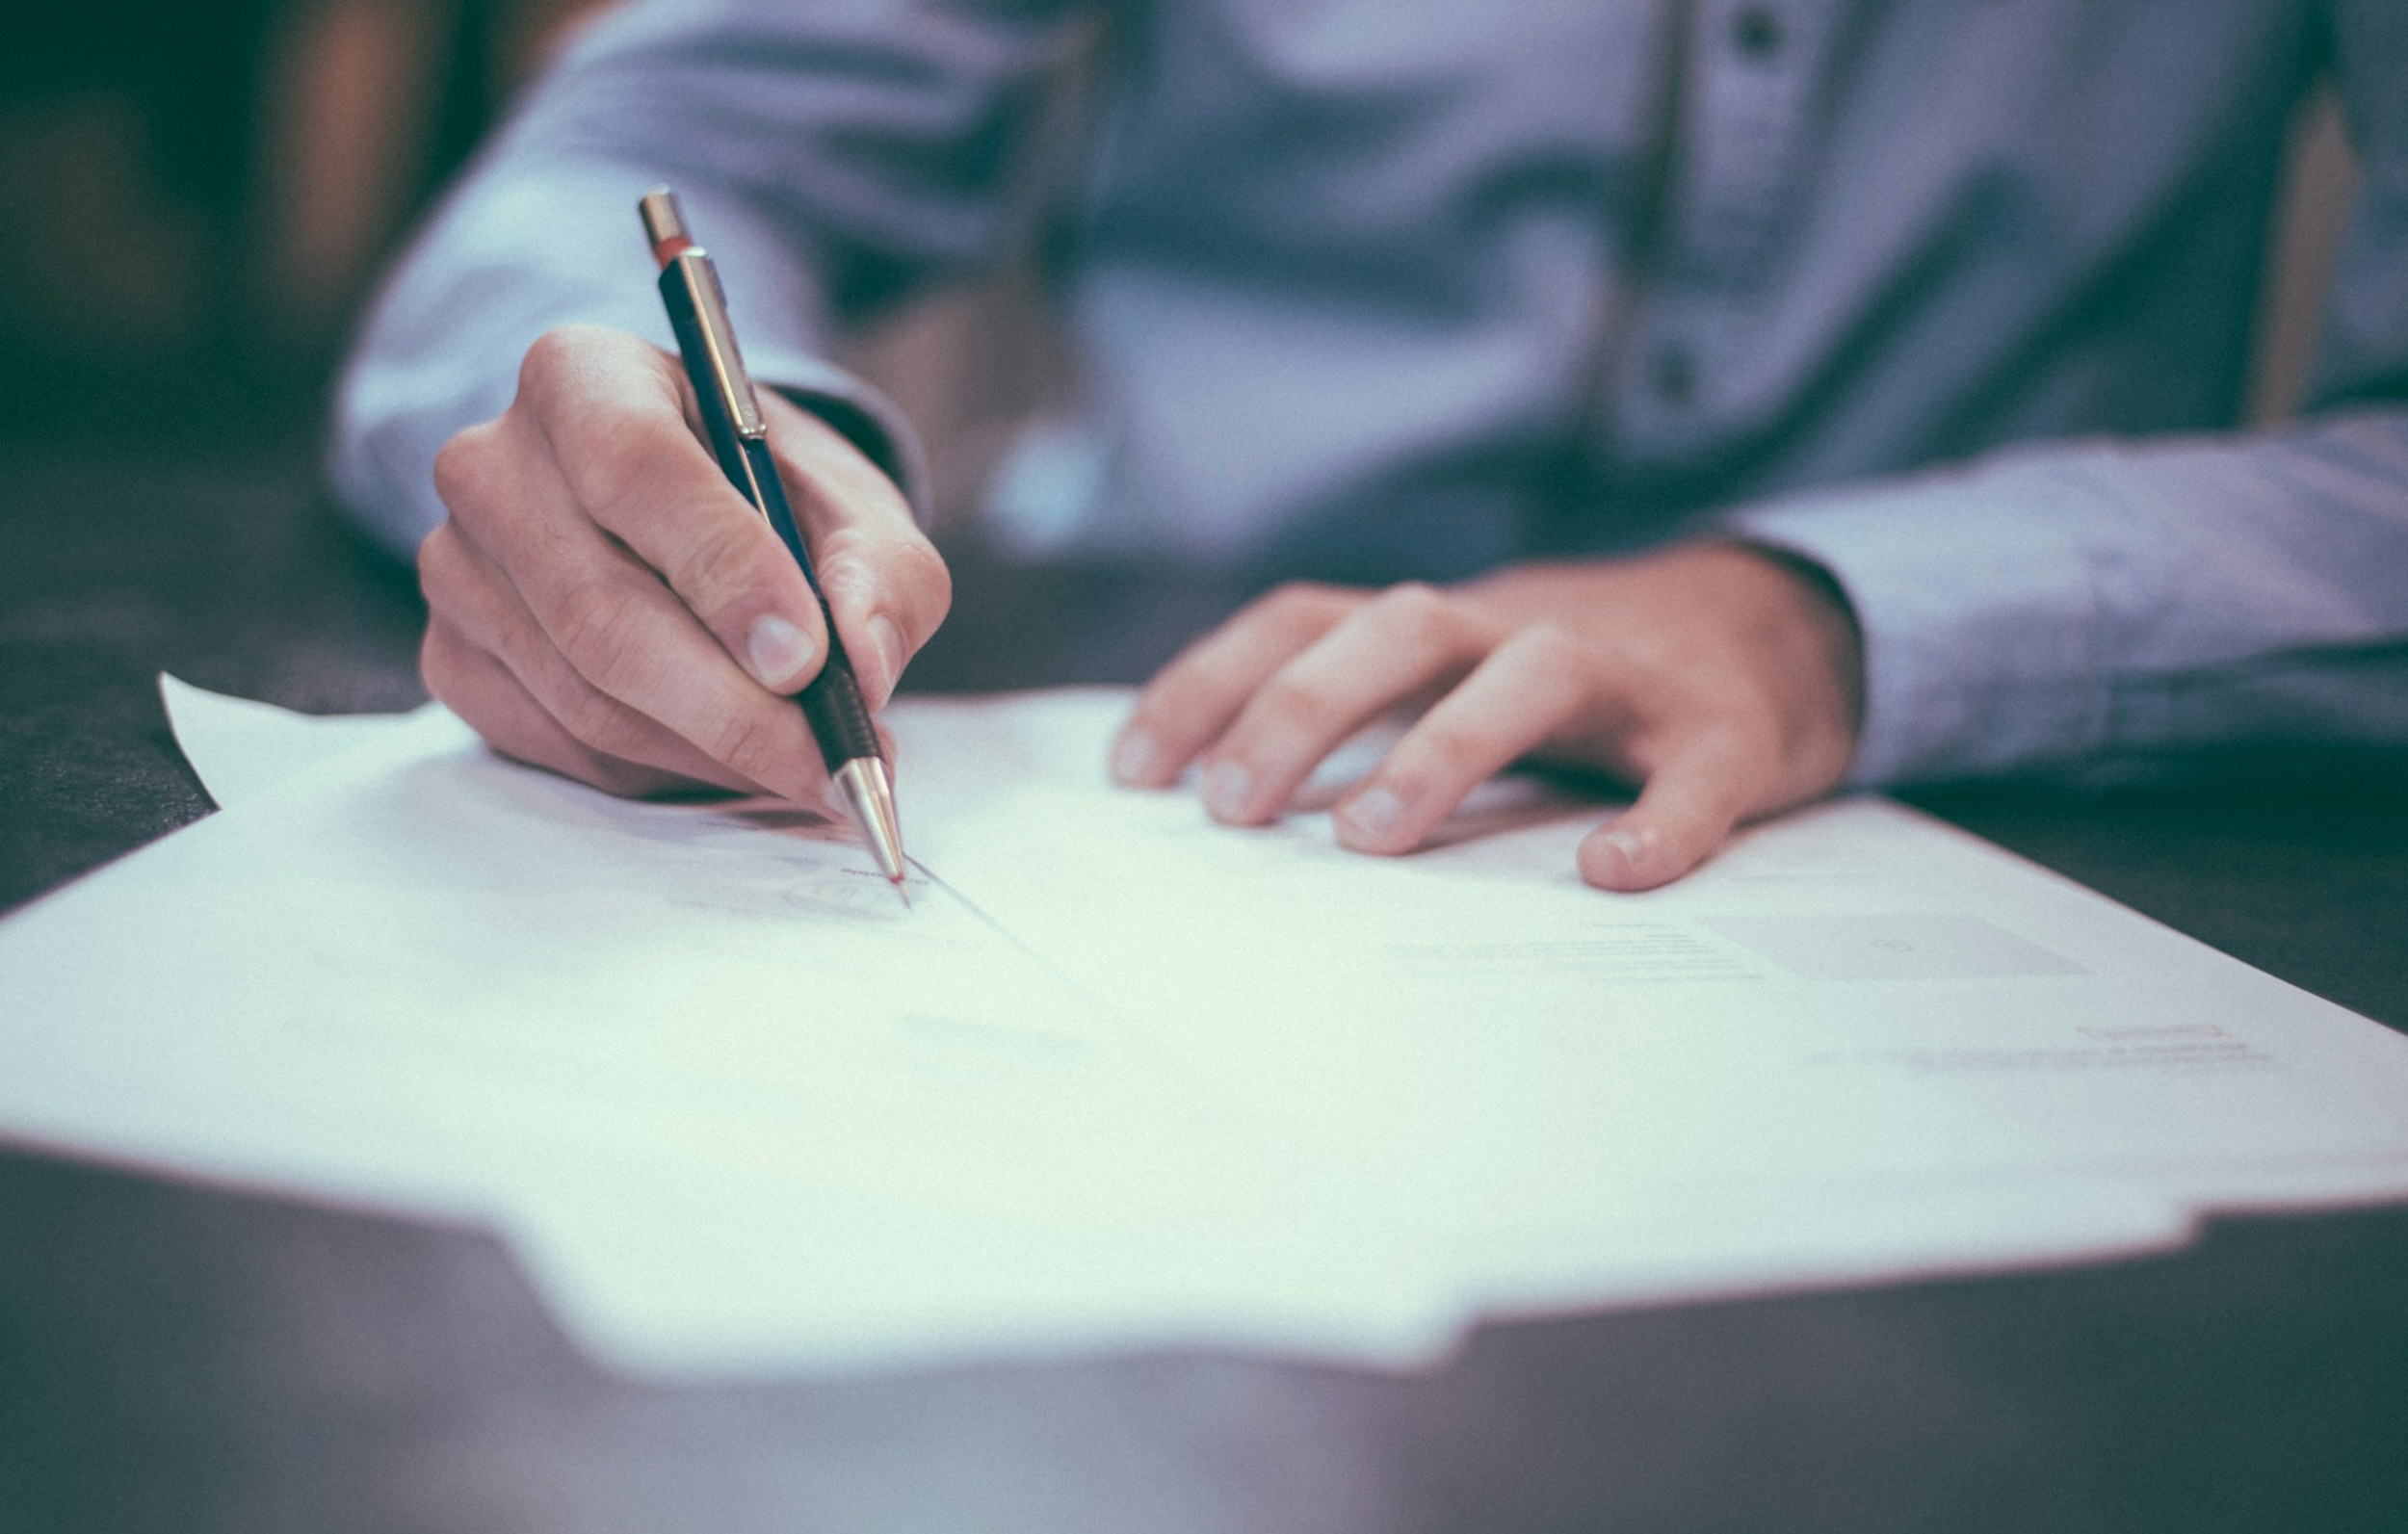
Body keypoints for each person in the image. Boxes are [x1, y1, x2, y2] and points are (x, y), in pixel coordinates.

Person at [333, 0, 2408, 892]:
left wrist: (1828, 618)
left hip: (2023, 812)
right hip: (1146, 740)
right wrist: (650, 467)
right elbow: (625, 165)